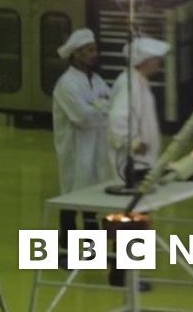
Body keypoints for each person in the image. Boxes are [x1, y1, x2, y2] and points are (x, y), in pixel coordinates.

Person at [51, 28, 112, 262]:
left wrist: (98, 108)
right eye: (89, 50)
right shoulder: (66, 84)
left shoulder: (96, 80)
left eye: (95, 49)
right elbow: (81, 117)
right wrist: (100, 108)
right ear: (75, 54)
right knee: (70, 198)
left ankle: (92, 252)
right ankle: (64, 251)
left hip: (95, 147)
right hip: (75, 150)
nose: (94, 54)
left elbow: (111, 104)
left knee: (91, 198)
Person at [107, 37, 170, 184]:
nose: (159, 64)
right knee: (130, 196)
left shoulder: (139, 81)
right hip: (131, 160)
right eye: (156, 59)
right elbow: (117, 118)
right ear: (145, 61)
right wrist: (133, 143)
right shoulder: (130, 83)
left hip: (142, 159)